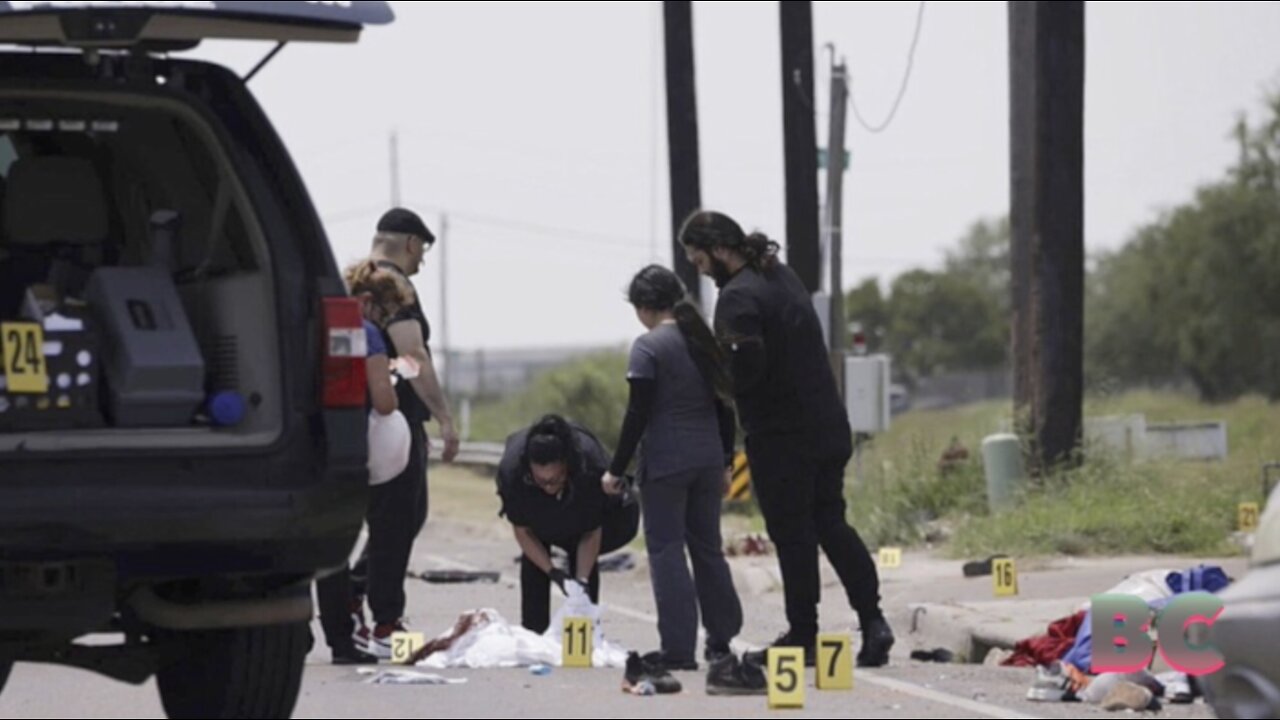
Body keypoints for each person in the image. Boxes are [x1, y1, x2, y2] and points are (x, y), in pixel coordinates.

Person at [678, 209, 895, 669]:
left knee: (793, 537)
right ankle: (874, 622)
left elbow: (746, 375)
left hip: (783, 438)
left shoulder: (737, 299)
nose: (702, 272)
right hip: (828, 425)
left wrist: (712, 368)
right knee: (832, 524)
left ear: (719, 250)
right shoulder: (779, 275)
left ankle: (803, 635)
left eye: (700, 262)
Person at [601, 265, 745, 676]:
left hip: (665, 463)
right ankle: (721, 641)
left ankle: (679, 648)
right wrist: (726, 461)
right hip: (706, 459)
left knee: (666, 551)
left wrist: (615, 470)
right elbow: (725, 406)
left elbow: (637, 413)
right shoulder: (704, 340)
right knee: (708, 548)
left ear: (644, 307)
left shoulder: (648, 347)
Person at [349, 207, 460, 659]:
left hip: (350, 418)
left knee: (390, 519)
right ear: (411, 243)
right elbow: (413, 355)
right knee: (399, 520)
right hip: (387, 419)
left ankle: (353, 596)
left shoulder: (350, 280)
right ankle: (386, 623)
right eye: (422, 251)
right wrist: (443, 416)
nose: (422, 262)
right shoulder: (392, 286)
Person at [313, 262, 406, 665]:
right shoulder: (364, 333)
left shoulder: (311, 320)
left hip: (302, 442)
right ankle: (341, 641)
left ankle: (295, 632)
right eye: (385, 314)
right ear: (368, 302)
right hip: (343, 446)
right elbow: (384, 402)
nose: (383, 324)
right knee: (335, 551)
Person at [495, 415, 639, 636]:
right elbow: (522, 531)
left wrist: (580, 581)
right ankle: (534, 632)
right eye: (541, 480)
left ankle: (585, 629)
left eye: (554, 479)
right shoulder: (512, 472)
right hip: (539, 518)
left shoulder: (590, 468)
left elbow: (592, 530)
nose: (548, 487)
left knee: (581, 570)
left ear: (566, 466)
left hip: (591, 515)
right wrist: (553, 572)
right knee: (535, 560)